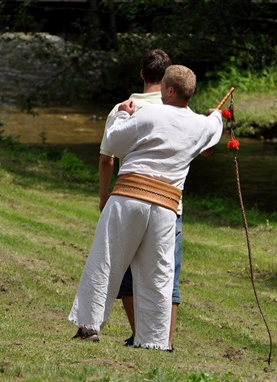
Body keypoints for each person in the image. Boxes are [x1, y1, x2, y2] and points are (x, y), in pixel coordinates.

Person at [69, 65, 223, 350]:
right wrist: (216, 115)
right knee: (158, 273)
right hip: (166, 207)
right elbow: (215, 127)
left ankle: (89, 326)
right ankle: (154, 340)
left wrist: (123, 115)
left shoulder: (149, 113)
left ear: (170, 90)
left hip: (129, 197)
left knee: (107, 259)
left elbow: (114, 142)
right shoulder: (201, 124)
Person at [97, 49, 182, 351]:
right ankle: (165, 341)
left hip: (130, 197)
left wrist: (104, 196)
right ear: (169, 75)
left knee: (125, 272)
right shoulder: (179, 109)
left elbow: (108, 158)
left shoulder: (125, 107)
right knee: (167, 273)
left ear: (141, 73)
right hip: (169, 202)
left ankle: (140, 335)